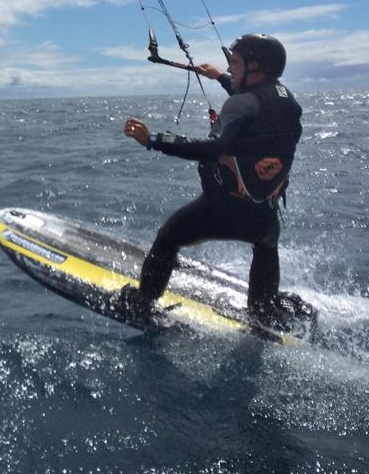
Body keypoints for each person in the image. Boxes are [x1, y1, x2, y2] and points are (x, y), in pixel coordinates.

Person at [121, 34, 303, 325]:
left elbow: (212, 149)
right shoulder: (286, 100)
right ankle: (263, 312)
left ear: (256, 68)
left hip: (223, 211)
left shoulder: (240, 105)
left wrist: (153, 139)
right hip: (265, 217)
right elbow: (256, 102)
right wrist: (219, 77)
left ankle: (143, 303)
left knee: (168, 237)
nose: (230, 68)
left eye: (235, 63)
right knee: (266, 247)